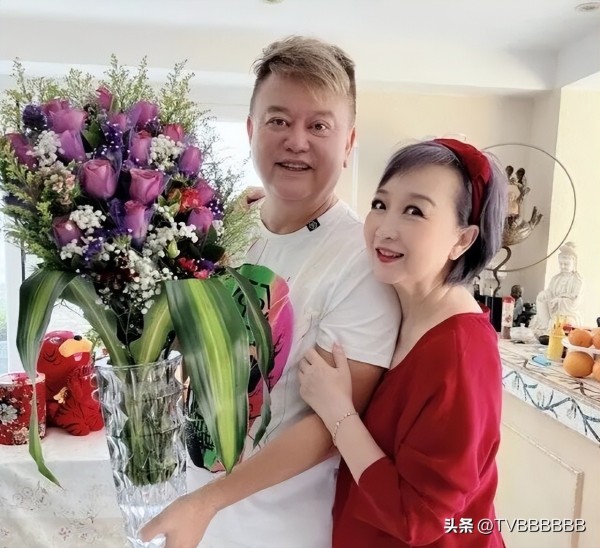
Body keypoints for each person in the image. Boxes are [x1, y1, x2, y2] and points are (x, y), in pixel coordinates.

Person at [141, 36, 400, 548]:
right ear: (251, 130)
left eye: (319, 125)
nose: (296, 141)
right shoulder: (219, 229)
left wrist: (207, 502)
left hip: (284, 530)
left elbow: (330, 426)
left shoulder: (362, 263)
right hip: (191, 510)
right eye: (278, 120)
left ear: (349, 143)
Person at [298, 138, 507, 547]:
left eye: (415, 211)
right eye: (380, 204)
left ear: (462, 240)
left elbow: (420, 518)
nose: (385, 228)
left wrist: (338, 412)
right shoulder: (399, 300)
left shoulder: (461, 353)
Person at [531, 242, 583, 331]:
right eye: (561, 264)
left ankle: (549, 326)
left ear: (574, 263)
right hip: (553, 310)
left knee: (558, 325)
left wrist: (559, 300)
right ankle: (545, 324)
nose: (563, 266)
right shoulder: (555, 278)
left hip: (568, 313)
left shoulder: (577, 280)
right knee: (541, 296)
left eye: (566, 264)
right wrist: (545, 295)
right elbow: (550, 292)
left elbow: (574, 301)